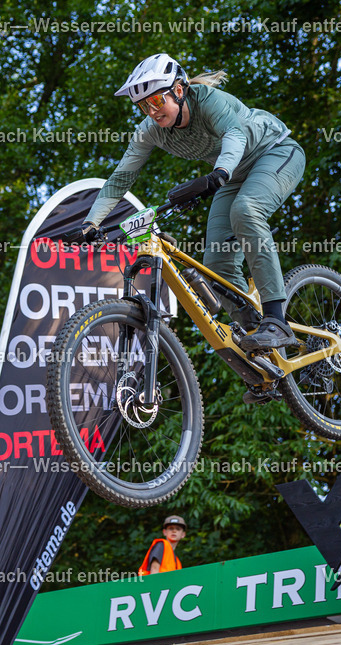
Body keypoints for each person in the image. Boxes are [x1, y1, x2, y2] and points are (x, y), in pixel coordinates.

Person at [82, 53, 306, 401]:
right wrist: (91, 223)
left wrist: (220, 173)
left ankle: (277, 320)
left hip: (274, 153)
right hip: (229, 176)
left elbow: (234, 134)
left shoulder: (209, 102)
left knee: (246, 211)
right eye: (144, 106)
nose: (153, 110)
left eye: (157, 99)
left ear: (179, 89)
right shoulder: (151, 132)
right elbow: (121, 177)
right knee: (216, 264)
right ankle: (261, 352)